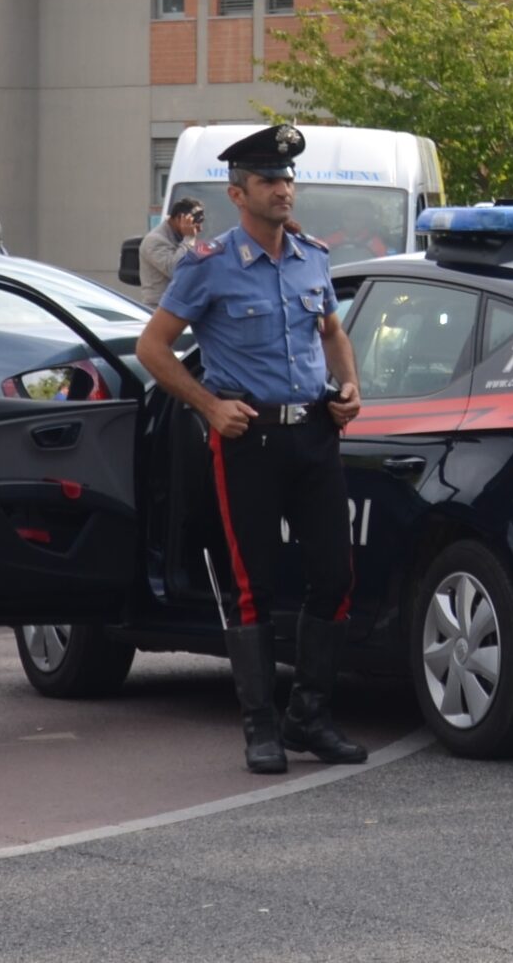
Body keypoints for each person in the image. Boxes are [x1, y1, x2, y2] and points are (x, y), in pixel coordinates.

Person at [131, 124, 368, 775]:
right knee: (253, 587)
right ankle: (260, 726)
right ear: (239, 194)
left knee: (336, 578)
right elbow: (151, 348)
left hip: (315, 433)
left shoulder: (313, 256)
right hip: (249, 439)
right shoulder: (209, 267)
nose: (284, 190)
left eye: (289, 179)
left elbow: (333, 332)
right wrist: (208, 405)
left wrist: (349, 387)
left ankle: (310, 716)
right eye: (269, 180)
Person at [137, 196, 207, 307]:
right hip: (159, 308)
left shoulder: (182, 237)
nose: (200, 229)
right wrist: (189, 239)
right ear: (181, 218)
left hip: (182, 305)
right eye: (196, 223)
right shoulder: (155, 240)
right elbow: (176, 269)